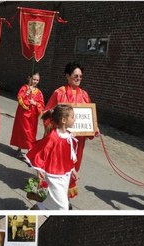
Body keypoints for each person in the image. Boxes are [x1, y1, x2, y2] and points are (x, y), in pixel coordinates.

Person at [44, 62, 99, 199]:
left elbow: (89, 118)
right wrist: (56, 127)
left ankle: (65, 197)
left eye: (81, 76)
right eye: (76, 76)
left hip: (77, 141)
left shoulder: (85, 95)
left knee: (74, 166)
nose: (79, 78)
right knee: (59, 167)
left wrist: (94, 128)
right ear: (67, 76)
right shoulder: (59, 93)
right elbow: (46, 114)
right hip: (61, 140)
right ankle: (54, 195)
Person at [25, 104, 78, 210]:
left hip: (65, 175)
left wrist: (73, 169)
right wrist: (40, 171)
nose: (74, 119)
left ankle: (40, 207)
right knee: (63, 207)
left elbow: (69, 155)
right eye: (72, 117)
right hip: (53, 176)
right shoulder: (53, 137)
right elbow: (41, 153)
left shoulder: (68, 135)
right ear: (63, 120)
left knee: (53, 198)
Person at [10, 73, 45, 157]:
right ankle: (23, 150)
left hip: (32, 117)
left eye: (37, 80)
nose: (35, 81)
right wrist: (26, 94)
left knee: (31, 134)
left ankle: (29, 152)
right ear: (29, 78)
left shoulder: (39, 92)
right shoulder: (24, 88)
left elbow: (42, 104)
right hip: (23, 115)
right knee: (23, 132)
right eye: (34, 79)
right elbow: (19, 98)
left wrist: (35, 103)